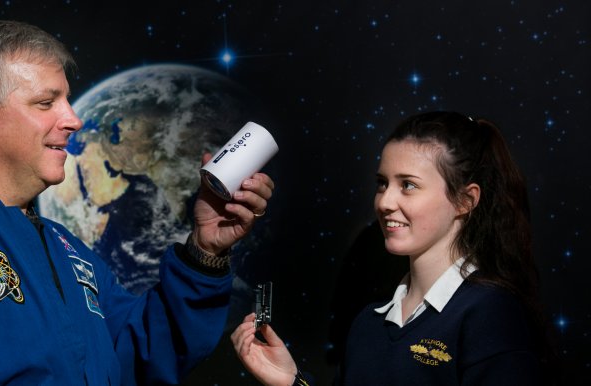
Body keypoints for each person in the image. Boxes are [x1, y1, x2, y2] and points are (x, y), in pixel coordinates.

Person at [0, 19, 275, 386]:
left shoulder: (63, 247)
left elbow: (145, 349)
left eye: (66, 98)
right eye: (47, 102)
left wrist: (206, 252)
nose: (74, 119)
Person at [231, 111, 556, 385]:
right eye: (383, 183)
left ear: (465, 201)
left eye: (408, 185)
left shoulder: (490, 314)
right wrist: (291, 380)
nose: (385, 202)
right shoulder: (367, 324)